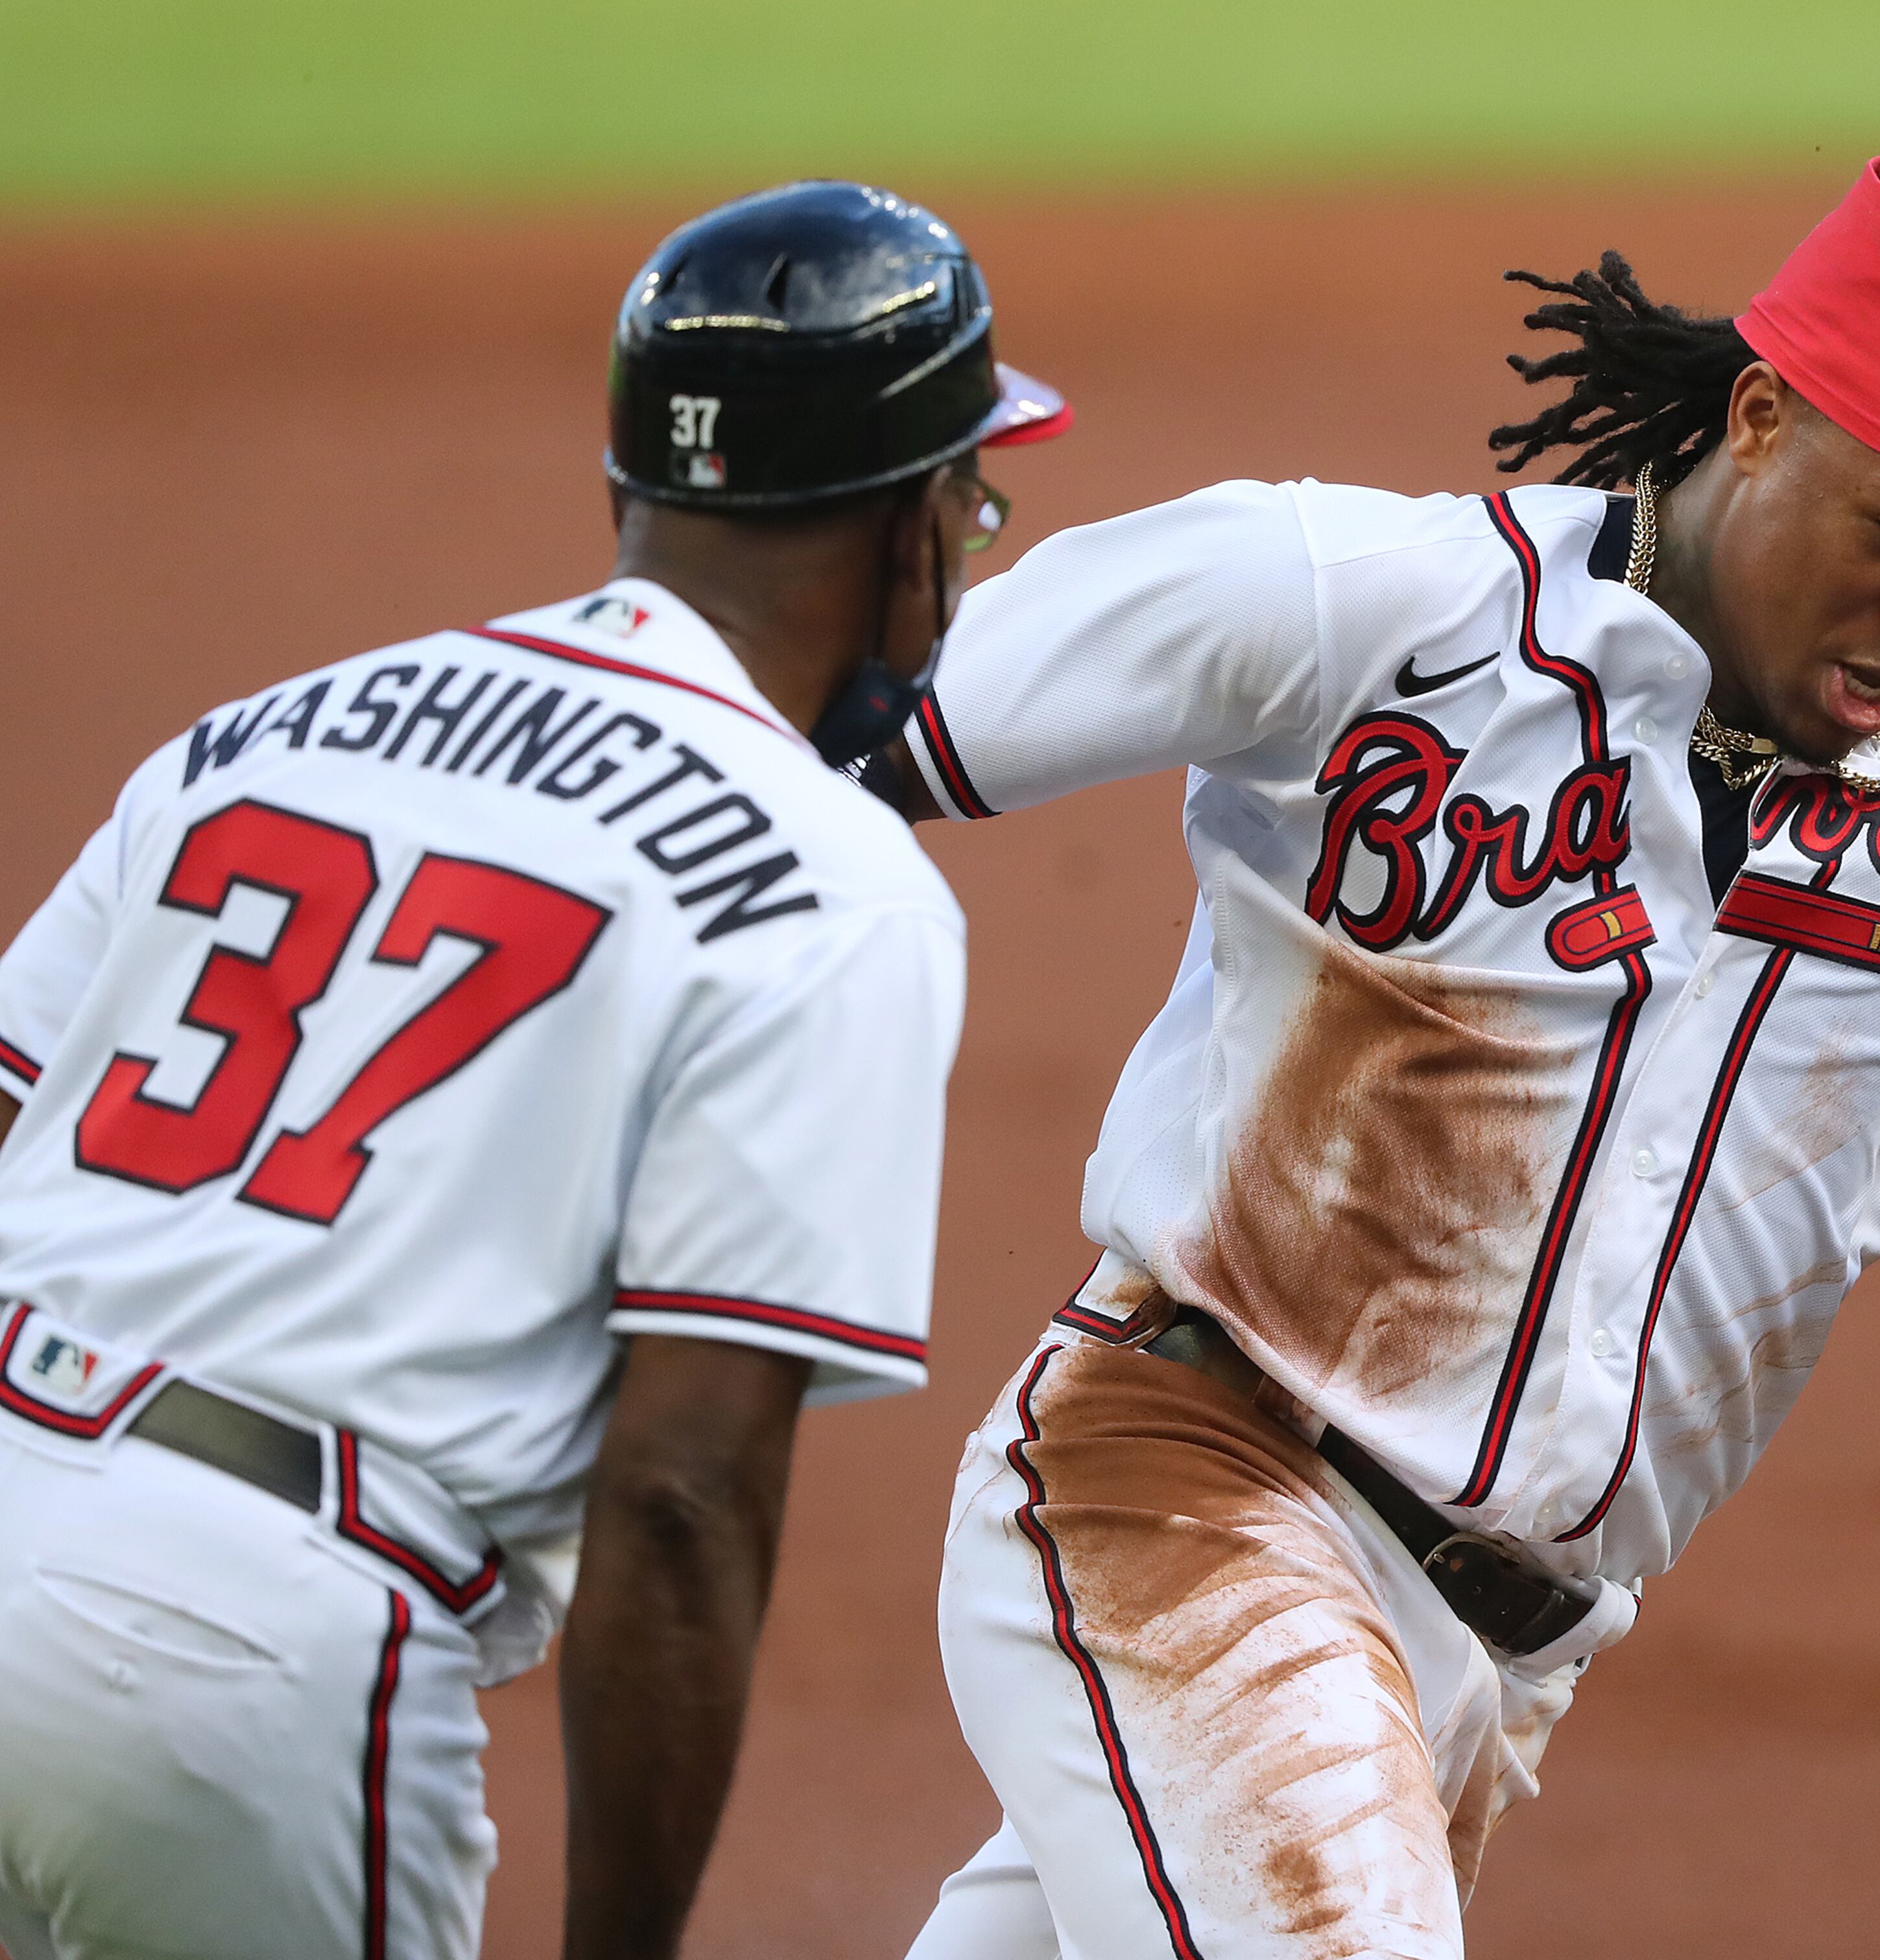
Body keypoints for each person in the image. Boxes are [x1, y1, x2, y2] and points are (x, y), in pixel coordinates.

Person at [879, 158, 1880, 1959]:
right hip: (1194, 1493)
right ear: (1757, 417)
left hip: (1504, 1668)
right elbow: (889, 721)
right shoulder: (1392, 609)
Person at [0, 179, 1067, 1960]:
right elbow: (680, 1490)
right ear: (909, 526)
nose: (975, 535)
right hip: (241, 1665)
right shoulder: (830, 877)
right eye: (974, 488)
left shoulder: (257, 735)